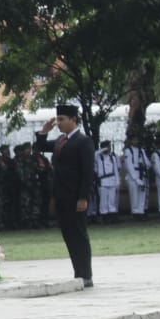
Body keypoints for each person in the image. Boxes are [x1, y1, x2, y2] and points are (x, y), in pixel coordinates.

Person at [33, 104, 95, 287]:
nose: (58, 123)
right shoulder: (61, 140)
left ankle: (86, 274)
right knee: (68, 235)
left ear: (73, 120)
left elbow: (87, 172)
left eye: (62, 119)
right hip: (61, 196)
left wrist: (83, 197)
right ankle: (79, 273)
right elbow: (41, 146)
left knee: (79, 235)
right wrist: (44, 131)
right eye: (57, 119)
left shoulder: (83, 141)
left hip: (75, 197)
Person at [121, 135, 150, 220]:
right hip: (133, 176)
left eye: (137, 140)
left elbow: (147, 163)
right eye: (134, 140)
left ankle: (141, 212)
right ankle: (135, 213)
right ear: (130, 141)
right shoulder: (128, 151)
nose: (136, 141)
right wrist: (136, 178)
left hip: (142, 174)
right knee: (134, 196)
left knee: (142, 195)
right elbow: (129, 166)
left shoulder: (141, 151)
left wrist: (145, 164)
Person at [95, 141, 120, 223]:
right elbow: (93, 155)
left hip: (112, 180)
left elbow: (116, 170)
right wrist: (102, 149)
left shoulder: (112, 157)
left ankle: (112, 217)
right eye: (107, 147)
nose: (109, 149)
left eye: (109, 147)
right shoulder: (98, 157)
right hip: (103, 181)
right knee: (103, 201)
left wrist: (117, 182)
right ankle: (104, 217)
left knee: (112, 200)